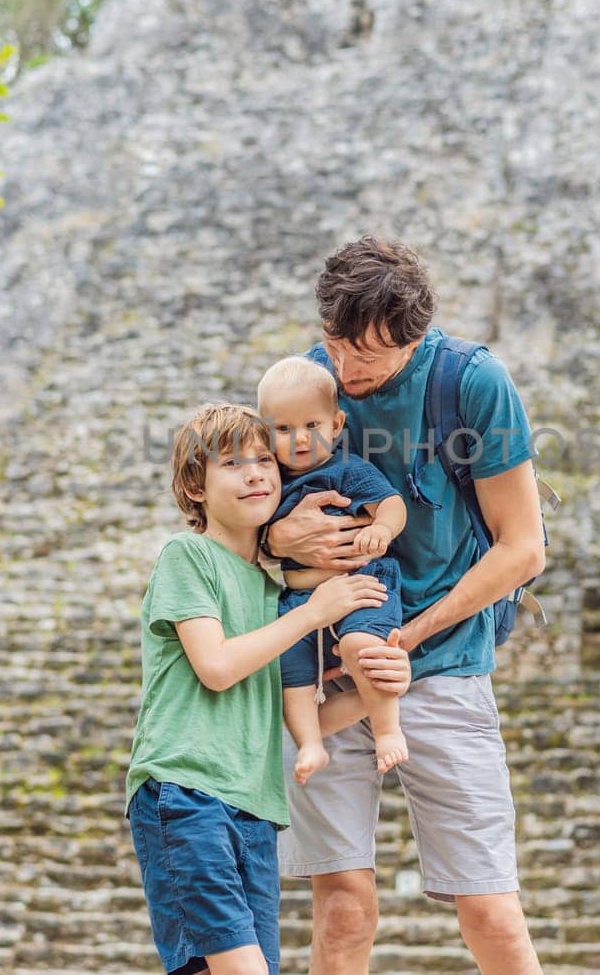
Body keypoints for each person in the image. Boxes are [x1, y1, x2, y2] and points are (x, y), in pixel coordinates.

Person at [264, 236, 546, 973]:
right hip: (328, 670)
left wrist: (407, 640)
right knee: (344, 909)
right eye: (336, 345)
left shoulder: (471, 382)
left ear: (415, 337)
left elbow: (523, 549)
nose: (347, 373)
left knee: (490, 910)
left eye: (371, 359)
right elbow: (241, 510)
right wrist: (279, 535)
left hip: (443, 662)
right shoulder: (308, 379)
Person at [124, 402, 412, 975]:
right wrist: (313, 616)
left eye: (263, 460)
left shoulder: (273, 589)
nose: (256, 473)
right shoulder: (190, 557)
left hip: (255, 810)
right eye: (232, 463)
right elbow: (217, 667)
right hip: (187, 792)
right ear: (195, 487)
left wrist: (380, 683)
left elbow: (295, 714)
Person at [257, 355, 411, 783]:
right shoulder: (267, 483)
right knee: (289, 668)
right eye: (283, 429)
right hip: (300, 597)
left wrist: (381, 527)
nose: (300, 439)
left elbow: (392, 503)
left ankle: (387, 728)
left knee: (363, 646)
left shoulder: (345, 469)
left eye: (313, 426)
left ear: (337, 425)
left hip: (362, 583)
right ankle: (310, 742)